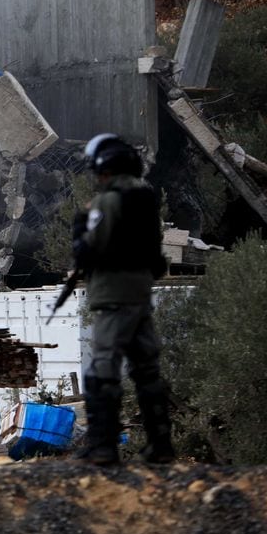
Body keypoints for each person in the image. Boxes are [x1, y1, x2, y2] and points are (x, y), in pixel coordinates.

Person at [71, 133, 173, 466]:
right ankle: (160, 444)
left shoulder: (109, 201)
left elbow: (91, 247)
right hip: (140, 293)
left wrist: (79, 232)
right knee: (147, 369)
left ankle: (103, 446)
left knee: (103, 367)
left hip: (113, 296)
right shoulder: (145, 197)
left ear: (105, 167)